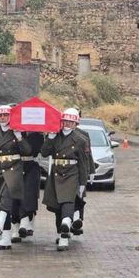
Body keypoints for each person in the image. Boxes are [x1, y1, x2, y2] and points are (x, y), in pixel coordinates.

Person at [0, 105, 32, 250]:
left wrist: (19, 137)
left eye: (6, 115)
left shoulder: (17, 132)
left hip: (14, 169)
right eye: (0, 115)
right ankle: (5, 239)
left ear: (11, 116)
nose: (3, 118)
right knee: (2, 202)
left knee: (6, 195)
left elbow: (27, 151)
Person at [41, 108, 88, 251]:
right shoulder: (54, 136)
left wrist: (82, 183)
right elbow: (44, 153)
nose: (67, 124)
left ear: (75, 124)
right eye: (65, 121)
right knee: (57, 207)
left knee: (68, 202)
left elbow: (83, 163)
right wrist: (49, 138)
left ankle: (65, 235)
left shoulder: (80, 140)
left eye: (71, 122)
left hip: (71, 174)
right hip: (56, 172)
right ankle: (61, 231)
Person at [14, 131, 44, 242]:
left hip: (31, 167)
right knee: (15, 197)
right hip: (16, 166)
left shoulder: (38, 136)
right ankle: (16, 226)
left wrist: (20, 138)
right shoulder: (13, 133)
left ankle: (25, 221)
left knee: (28, 195)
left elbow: (30, 151)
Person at [72, 107, 96, 235]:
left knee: (79, 198)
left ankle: (78, 222)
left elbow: (88, 155)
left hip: (81, 171)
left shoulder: (84, 135)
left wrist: (91, 171)